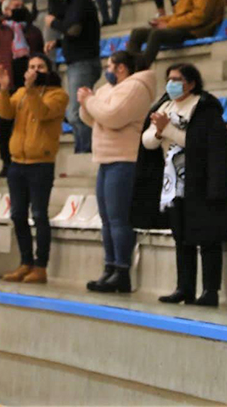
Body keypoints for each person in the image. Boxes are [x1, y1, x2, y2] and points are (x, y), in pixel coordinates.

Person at [134, 64, 227, 307]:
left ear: (191, 83)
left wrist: (166, 129)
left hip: (202, 180)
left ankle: (210, 290)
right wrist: (157, 132)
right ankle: (184, 287)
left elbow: (197, 143)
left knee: (207, 236)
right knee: (182, 237)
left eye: (177, 79)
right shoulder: (164, 105)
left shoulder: (204, 107)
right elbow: (147, 142)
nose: (171, 84)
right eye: (169, 79)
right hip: (173, 183)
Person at [79, 51, 157, 293]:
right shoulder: (108, 89)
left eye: (110, 65)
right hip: (105, 158)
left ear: (122, 68)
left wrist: (90, 102)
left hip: (125, 159)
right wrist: (89, 104)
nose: (107, 70)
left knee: (118, 219)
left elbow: (112, 116)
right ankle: (109, 267)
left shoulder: (135, 87)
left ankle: (122, 270)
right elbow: (91, 118)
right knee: (106, 219)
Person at [0, 54, 69, 285]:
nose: (35, 70)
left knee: (39, 215)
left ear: (48, 69)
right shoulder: (21, 93)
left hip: (41, 163)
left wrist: (30, 90)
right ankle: (25, 262)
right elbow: (5, 113)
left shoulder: (59, 95)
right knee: (17, 214)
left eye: (40, 67)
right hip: (17, 162)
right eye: (31, 67)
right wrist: (5, 90)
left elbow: (42, 113)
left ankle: (40, 266)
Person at [0, 0, 45, 177]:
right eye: (16, 6)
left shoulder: (33, 31)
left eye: (22, 5)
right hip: (4, 86)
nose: (20, 8)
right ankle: (7, 163)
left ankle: (29, 160)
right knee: (4, 125)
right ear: (6, 10)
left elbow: (41, 56)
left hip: (28, 86)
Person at [46, 0, 102, 154]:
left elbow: (74, 30)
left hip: (83, 62)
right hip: (78, 62)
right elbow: (77, 33)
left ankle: (86, 151)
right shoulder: (73, 2)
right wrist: (58, 42)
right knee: (75, 112)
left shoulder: (80, 0)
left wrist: (54, 23)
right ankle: (82, 148)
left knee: (76, 113)